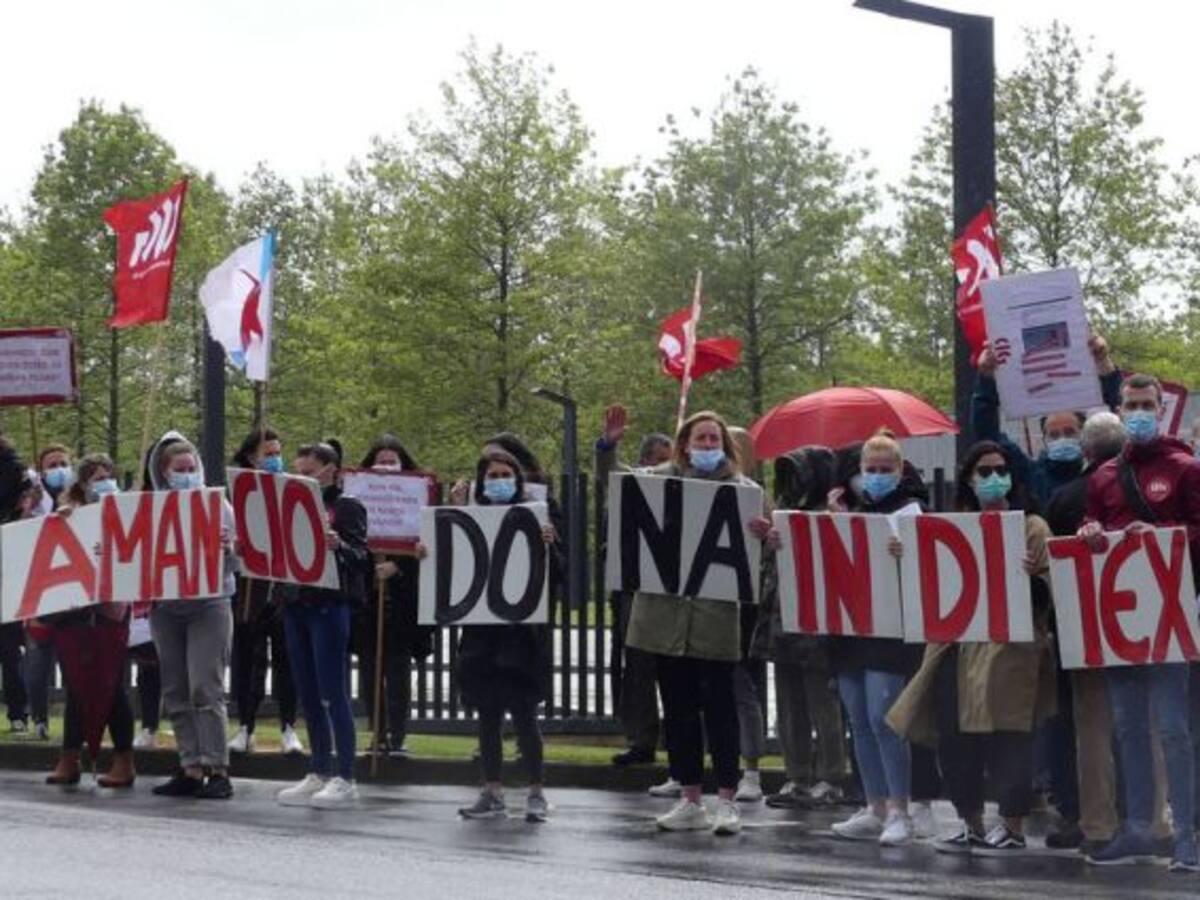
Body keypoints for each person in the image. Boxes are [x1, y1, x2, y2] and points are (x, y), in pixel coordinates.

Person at [600, 407, 778, 836]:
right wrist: (608, 447)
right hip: (664, 621)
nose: (708, 446)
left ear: (725, 446)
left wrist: (768, 537)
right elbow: (617, 485)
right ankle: (691, 799)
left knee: (720, 712)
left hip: (715, 621)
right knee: (678, 712)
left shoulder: (745, 491)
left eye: (714, 439)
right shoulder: (660, 480)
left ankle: (727, 801)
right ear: (685, 445)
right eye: (701, 439)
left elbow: (763, 551)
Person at [888, 440, 1057, 855]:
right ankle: (971, 821)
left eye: (1001, 470)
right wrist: (905, 556)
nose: (994, 478)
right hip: (957, 647)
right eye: (984, 471)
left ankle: (1012, 825)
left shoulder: (1033, 527)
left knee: (1010, 734)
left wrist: (1030, 578)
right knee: (955, 736)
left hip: (1010, 647)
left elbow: (1053, 591)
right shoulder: (953, 527)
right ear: (968, 479)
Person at [1078, 374, 1198, 871]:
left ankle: (1187, 835)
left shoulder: (1186, 469)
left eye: (1148, 405)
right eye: (1132, 405)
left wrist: (1163, 533)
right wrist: (1089, 531)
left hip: (1169, 618)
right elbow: (1091, 527)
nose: (1140, 413)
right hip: (1120, 623)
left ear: (1161, 409)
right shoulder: (1103, 476)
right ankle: (1138, 829)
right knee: (1128, 727)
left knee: (1173, 729)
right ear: (1119, 409)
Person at [823, 432, 933, 846]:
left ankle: (900, 809)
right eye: (871, 469)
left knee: (883, 719)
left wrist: (908, 551)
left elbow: (929, 567)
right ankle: (875, 806)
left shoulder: (914, 513)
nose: (877, 476)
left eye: (885, 469)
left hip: (889, 632)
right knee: (859, 722)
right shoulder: (853, 512)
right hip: (852, 629)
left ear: (900, 471)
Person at [1043, 411, 1143, 855]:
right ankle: (1148, 818)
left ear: (1085, 451)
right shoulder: (1143, 490)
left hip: (1081, 628)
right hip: (1139, 626)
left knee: (1092, 730)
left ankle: (1096, 822)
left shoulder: (1064, 498)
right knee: (1142, 727)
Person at [453, 449, 560, 822]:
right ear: (482, 483)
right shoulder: (470, 519)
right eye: (492, 476)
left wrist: (549, 546)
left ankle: (536, 792)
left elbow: (558, 575)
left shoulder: (536, 519)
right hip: (482, 636)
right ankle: (492, 790)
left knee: (525, 715)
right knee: (488, 716)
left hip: (522, 637)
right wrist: (428, 552)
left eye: (505, 474)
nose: (499, 481)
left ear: (517, 480)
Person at [275, 442, 369, 809]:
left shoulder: (346, 507)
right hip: (296, 603)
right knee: (308, 692)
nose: (302, 479)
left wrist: (339, 545)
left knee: (333, 691)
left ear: (331, 470)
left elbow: (361, 556)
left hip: (328, 605)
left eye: (309, 473)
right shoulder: (287, 505)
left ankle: (345, 775)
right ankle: (318, 768)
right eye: (297, 472)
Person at [145, 432, 237, 800]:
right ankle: (190, 766)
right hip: (167, 608)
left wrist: (227, 548)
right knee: (175, 689)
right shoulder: (149, 510)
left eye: (191, 468)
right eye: (179, 470)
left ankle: (217, 768)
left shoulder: (219, 506)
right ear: (164, 473)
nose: (187, 475)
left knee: (205, 686)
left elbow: (238, 562)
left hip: (209, 604)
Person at [758, 447, 849, 810]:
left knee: (823, 703)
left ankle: (831, 776)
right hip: (783, 618)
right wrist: (770, 544)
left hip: (818, 623)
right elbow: (768, 567)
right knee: (789, 704)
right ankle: (796, 775)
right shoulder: (784, 512)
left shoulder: (834, 512)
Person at [43, 454, 136, 789]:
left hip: (109, 612)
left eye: (108, 475)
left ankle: (124, 760)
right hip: (73, 611)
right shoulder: (68, 513)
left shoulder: (126, 510)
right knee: (75, 686)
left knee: (111, 685)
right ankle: (69, 758)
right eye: (97, 477)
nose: (104, 482)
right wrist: (63, 520)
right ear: (83, 484)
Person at [594, 409, 672, 769]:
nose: (666, 468)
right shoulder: (629, 484)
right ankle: (642, 740)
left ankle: (678, 738)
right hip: (633, 589)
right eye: (660, 461)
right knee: (637, 665)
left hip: (672, 592)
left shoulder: (683, 485)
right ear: (644, 463)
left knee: (674, 668)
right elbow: (608, 472)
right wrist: (607, 446)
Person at [227, 425, 303, 756]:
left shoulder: (292, 489)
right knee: (248, 659)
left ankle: (288, 727)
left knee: (288, 659)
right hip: (250, 589)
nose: (274, 459)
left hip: (284, 589)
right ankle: (246, 726)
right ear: (250, 457)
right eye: (267, 454)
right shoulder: (236, 494)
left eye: (277, 453)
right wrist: (235, 547)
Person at [357, 434, 434, 758]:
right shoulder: (358, 498)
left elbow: (428, 551)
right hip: (368, 605)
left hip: (401, 606)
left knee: (398, 673)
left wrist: (400, 567)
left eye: (392, 461)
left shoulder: (419, 501)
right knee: (369, 674)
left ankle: (398, 734)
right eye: (381, 461)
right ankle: (377, 733)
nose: (386, 467)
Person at [972, 335, 1119, 504]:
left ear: (1083, 435)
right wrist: (986, 379)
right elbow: (988, 436)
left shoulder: (1104, 471)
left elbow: (1120, 417)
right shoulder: (1031, 474)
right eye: (1054, 435)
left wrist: (1103, 364)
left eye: (1069, 432)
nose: (1062, 439)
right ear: (1044, 439)